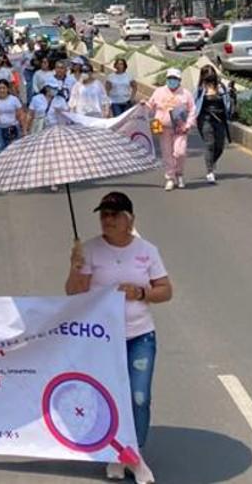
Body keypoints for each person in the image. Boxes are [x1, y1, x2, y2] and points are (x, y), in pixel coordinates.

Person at [66, 191, 172, 484]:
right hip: (102, 340)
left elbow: (165, 290)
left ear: (129, 219)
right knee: (108, 399)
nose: (107, 220)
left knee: (138, 398)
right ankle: (116, 455)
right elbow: (73, 293)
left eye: (114, 215)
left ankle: (132, 453)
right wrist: (75, 266)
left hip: (139, 336)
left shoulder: (147, 251)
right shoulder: (89, 250)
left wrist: (140, 292)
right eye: (104, 215)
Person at [146, 68, 196, 191]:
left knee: (180, 152)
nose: (172, 81)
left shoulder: (186, 94)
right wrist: (143, 105)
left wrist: (189, 124)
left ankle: (179, 173)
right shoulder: (159, 92)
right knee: (167, 153)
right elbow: (150, 106)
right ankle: (170, 178)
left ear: (179, 80)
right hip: (163, 128)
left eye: (175, 79)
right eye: (170, 78)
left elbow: (192, 110)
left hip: (180, 129)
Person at [194, 66, 233, 184]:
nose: (210, 81)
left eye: (212, 78)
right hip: (205, 119)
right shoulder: (200, 90)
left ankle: (211, 161)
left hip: (220, 120)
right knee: (209, 144)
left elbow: (227, 103)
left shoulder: (221, 88)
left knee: (220, 146)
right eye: (207, 79)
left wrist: (230, 94)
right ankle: (210, 171)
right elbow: (192, 104)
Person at [0, 79, 25, 157]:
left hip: (12, 128)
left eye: (4, 88)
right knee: (0, 149)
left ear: (7, 89)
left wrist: (24, 130)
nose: (2, 90)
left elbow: (21, 115)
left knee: (12, 149)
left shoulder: (14, 100)